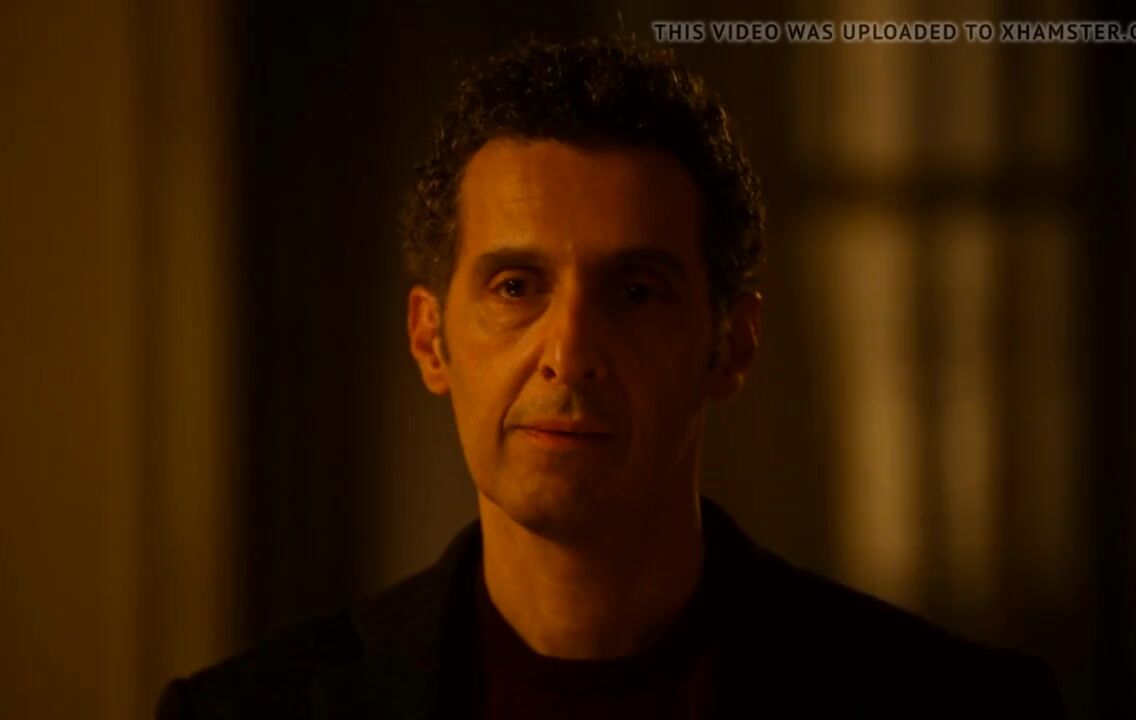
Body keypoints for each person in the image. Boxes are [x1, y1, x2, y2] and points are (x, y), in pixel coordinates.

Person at [157, 35, 1065, 719]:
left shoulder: (958, 707)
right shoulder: (246, 715)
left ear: (732, 345)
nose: (569, 350)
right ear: (431, 342)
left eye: (635, 291)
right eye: (516, 287)